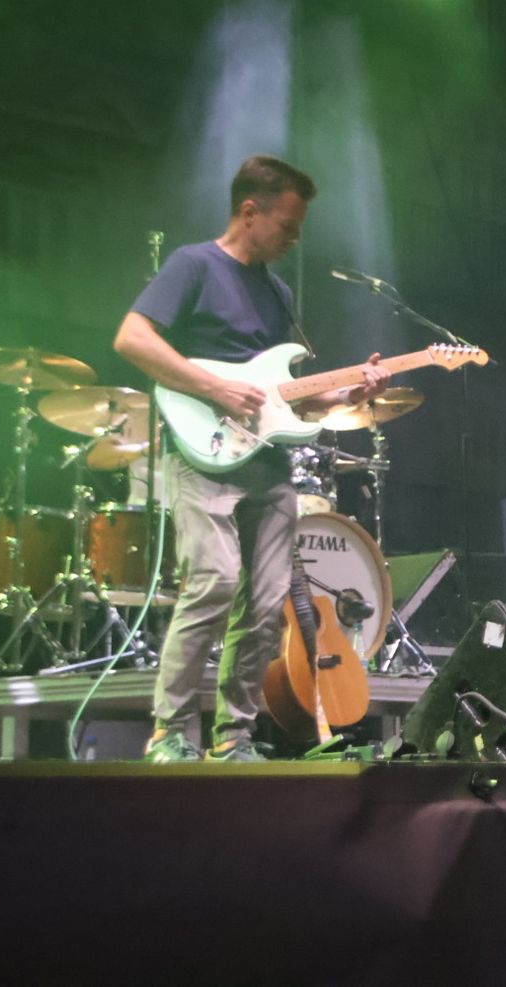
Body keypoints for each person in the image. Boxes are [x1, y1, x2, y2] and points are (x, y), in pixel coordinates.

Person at [115, 154, 389, 762]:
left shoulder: (276, 290)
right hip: (203, 455)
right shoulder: (193, 266)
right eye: (287, 226)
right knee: (212, 583)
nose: (293, 239)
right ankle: (168, 733)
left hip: (266, 466)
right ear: (249, 211)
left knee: (267, 608)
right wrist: (215, 389)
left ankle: (232, 737)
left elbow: (282, 394)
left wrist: (347, 393)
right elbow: (132, 338)